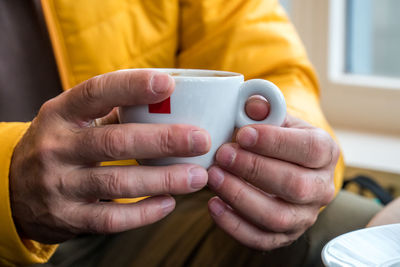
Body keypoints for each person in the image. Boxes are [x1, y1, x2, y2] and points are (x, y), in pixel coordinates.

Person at [0, 0, 382, 266]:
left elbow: (269, 63)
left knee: (367, 237)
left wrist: (287, 152)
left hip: (156, 214)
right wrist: (7, 183)